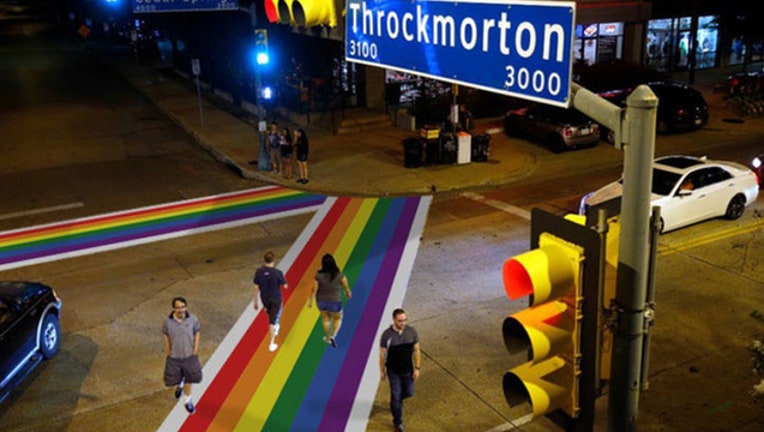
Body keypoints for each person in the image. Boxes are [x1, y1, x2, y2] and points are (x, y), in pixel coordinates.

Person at [379, 308, 421, 432]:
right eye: (400, 321)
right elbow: (382, 354)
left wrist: (417, 368)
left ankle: (395, 402)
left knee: (409, 392)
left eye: (404, 320)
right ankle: (398, 422)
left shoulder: (412, 332)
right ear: (394, 320)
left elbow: (417, 350)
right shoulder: (387, 335)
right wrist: (382, 370)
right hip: (393, 371)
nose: (403, 323)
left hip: (408, 369)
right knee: (396, 395)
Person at [162, 296, 202, 414]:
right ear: (174, 309)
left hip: (189, 356)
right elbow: (165, 335)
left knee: (190, 378)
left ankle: (187, 401)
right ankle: (179, 385)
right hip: (174, 357)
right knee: (172, 379)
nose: (181, 310)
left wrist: (195, 349)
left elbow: (197, 332)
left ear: (186, 307)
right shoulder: (168, 322)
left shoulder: (192, 319)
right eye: (178, 308)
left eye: (183, 307)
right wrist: (168, 350)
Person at [308, 253, 351, 347]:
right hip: (335, 302)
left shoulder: (318, 276)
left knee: (325, 318)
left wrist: (310, 302)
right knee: (337, 318)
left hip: (321, 301)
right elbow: (346, 287)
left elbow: (313, 290)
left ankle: (327, 337)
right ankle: (333, 335)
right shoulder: (340, 275)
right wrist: (348, 293)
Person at [253, 251, 288, 352]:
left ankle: (275, 325)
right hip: (276, 299)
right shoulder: (277, 273)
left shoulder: (258, 272)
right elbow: (285, 286)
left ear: (264, 260)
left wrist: (255, 302)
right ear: (273, 261)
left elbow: (255, 288)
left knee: (271, 315)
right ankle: (271, 343)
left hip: (265, 299)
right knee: (272, 321)